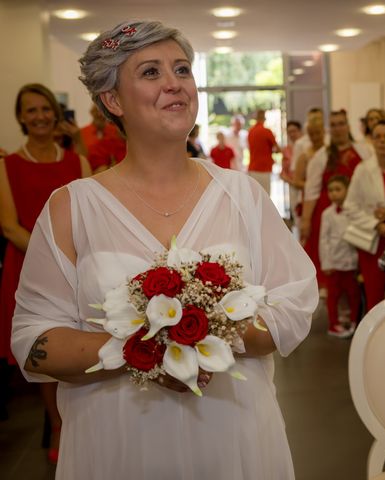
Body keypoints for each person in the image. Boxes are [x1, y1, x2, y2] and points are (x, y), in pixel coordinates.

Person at [11, 21, 317, 479]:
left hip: (232, 434)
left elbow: (293, 303)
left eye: (182, 69)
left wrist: (206, 334)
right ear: (112, 101)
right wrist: (141, 350)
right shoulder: (72, 207)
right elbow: (34, 339)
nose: (175, 83)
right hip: (118, 441)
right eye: (151, 72)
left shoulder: (242, 195)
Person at [0, 83, 91, 463]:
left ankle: (84, 422)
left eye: (44, 109)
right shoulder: (7, 165)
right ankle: (57, 424)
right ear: (21, 117)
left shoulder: (76, 162)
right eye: (30, 110)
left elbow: (89, 216)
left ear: (56, 113)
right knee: (48, 347)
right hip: (30, 266)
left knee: (82, 343)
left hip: (78, 269)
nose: (39, 116)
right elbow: (9, 225)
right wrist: (54, 259)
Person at [301, 109, 371, 292]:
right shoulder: (321, 156)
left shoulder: (364, 151)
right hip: (328, 213)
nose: (338, 128)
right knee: (331, 261)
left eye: (341, 123)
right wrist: (306, 220)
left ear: (347, 126)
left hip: (358, 213)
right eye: (333, 125)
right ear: (329, 128)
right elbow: (311, 190)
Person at [344, 120, 385, 312]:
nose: (382, 141)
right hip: (372, 241)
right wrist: (376, 224)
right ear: (371, 140)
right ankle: (374, 337)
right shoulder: (363, 169)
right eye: (378, 137)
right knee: (374, 294)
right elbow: (350, 206)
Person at [319, 175, 360, 338]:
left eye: (338, 189)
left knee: (353, 293)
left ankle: (353, 320)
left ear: (347, 190)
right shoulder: (327, 214)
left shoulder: (354, 211)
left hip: (351, 261)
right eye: (330, 190)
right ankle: (333, 324)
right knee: (333, 295)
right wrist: (326, 263)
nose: (333, 193)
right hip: (334, 261)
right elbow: (324, 239)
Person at [247, 109, 281, 194]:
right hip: (264, 168)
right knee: (265, 196)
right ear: (264, 118)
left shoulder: (250, 131)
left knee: (254, 196)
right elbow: (277, 149)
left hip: (253, 168)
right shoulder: (266, 131)